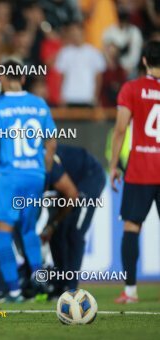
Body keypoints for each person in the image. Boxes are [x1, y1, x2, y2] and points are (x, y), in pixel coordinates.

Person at [0, 60, 57, 302]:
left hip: (8, 176)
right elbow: (51, 142)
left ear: (2, 80)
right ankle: (40, 284)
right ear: (23, 79)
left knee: (4, 232)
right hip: (34, 175)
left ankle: (13, 291)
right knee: (28, 230)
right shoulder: (39, 104)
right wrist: (43, 171)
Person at [110, 40, 160, 304]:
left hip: (140, 169)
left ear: (143, 61)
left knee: (132, 226)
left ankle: (130, 291)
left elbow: (120, 129)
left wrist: (113, 165)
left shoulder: (132, 88)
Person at [40, 144, 106, 297]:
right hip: (68, 186)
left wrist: (52, 224)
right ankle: (60, 283)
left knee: (75, 232)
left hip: (89, 177)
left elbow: (72, 194)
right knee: (56, 233)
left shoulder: (45, 162)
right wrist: (51, 226)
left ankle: (70, 287)